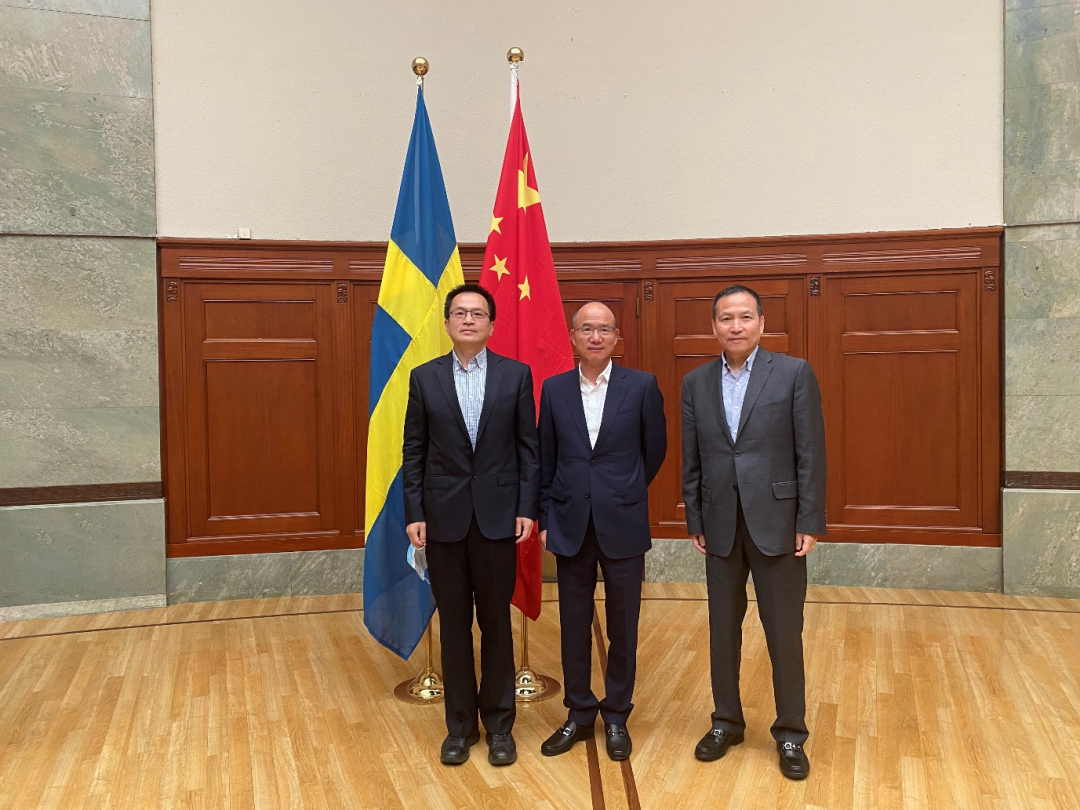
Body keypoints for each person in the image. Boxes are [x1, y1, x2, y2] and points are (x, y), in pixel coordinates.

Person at [681, 284, 826, 780]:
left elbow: (811, 453)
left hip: (779, 524)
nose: (736, 326)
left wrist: (809, 520)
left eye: (745, 317)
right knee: (722, 631)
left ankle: (791, 733)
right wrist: (695, 519)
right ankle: (726, 722)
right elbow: (692, 458)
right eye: (726, 318)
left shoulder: (793, 373)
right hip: (719, 525)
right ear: (714, 327)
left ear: (762, 323)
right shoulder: (695, 382)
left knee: (783, 632)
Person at [403, 283, 539, 767]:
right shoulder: (424, 378)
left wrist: (526, 507)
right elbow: (414, 452)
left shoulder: (515, 375)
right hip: (443, 521)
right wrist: (415, 513)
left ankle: (500, 726)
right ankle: (459, 728)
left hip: (499, 519)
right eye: (459, 313)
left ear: (491, 325)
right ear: (446, 323)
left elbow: (528, 449)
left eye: (477, 314)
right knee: (455, 625)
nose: (468, 320)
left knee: (496, 624)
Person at [536, 302, 667, 761]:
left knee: (622, 625)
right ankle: (578, 712)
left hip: (623, 522)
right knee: (573, 624)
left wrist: (623, 490)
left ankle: (616, 714)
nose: (596, 337)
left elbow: (654, 451)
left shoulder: (642, 386)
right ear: (573, 336)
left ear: (616, 337)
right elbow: (546, 459)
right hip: (569, 523)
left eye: (604, 329)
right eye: (587, 329)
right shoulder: (554, 389)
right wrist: (546, 519)